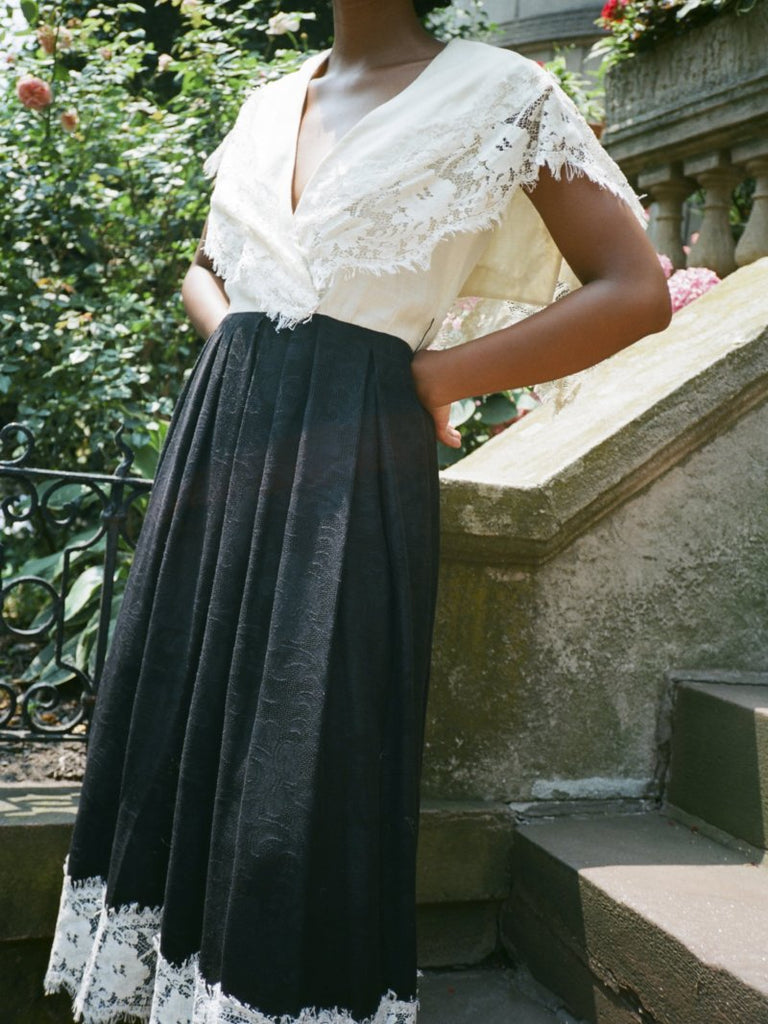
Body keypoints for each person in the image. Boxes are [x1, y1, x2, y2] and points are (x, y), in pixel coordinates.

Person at [44, 1, 671, 1022]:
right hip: (223, 440)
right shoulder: (263, 104)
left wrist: (433, 377)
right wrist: (244, 341)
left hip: (355, 446)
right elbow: (207, 268)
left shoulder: (503, 94)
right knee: (180, 716)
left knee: (310, 750)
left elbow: (637, 288)